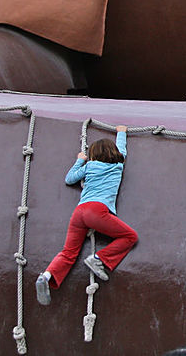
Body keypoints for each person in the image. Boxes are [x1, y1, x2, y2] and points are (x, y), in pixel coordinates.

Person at [36, 125, 138, 305]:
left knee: (68, 252)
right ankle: (98, 258)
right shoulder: (117, 166)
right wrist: (121, 132)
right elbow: (122, 150)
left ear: (93, 155)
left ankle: (46, 275)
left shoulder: (89, 166)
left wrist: (79, 160)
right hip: (97, 210)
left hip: (79, 211)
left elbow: (69, 179)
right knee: (130, 236)